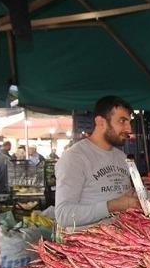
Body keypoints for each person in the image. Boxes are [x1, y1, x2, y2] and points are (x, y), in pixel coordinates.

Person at [55, 96, 139, 230]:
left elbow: (123, 194)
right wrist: (112, 206)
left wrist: (141, 196)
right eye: (122, 121)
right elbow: (63, 215)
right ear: (100, 122)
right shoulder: (74, 158)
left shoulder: (122, 157)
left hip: (121, 242)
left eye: (129, 122)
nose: (129, 129)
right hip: (86, 247)